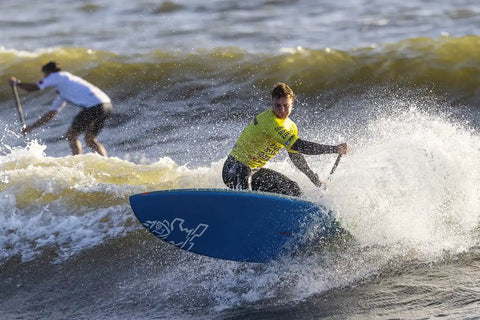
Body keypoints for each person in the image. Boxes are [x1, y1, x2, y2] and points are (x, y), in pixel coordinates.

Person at [222, 82, 349, 197]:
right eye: (277, 105)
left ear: (292, 103)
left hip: (255, 173)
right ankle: (241, 208)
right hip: (233, 169)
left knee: (293, 189)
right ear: (272, 103)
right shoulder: (269, 122)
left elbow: (296, 156)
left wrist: (314, 179)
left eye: (286, 106)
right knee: (245, 175)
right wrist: (334, 149)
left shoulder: (291, 127)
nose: (282, 110)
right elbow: (300, 146)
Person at [8, 61, 112, 156]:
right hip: (106, 104)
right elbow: (51, 114)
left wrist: (16, 83)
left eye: (45, 75)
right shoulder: (64, 88)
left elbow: (34, 87)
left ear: (48, 72)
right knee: (90, 139)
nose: (45, 78)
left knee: (71, 135)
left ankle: (77, 161)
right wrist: (32, 127)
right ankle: (105, 160)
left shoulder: (57, 76)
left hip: (94, 106)